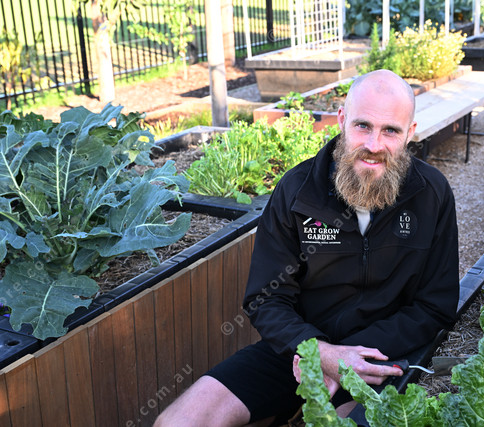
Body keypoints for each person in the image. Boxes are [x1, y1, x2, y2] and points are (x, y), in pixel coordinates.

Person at [154, 69, 459, 426]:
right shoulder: (297, 190)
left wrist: (351, 358)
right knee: (177, 421)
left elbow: (435, 306)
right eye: (363, 125)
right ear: (342, 120)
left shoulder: (431, 194)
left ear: (410, 132)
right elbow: (266, 298)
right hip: (299, 349)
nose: (374, 145)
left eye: (390, 130)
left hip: (381, 356)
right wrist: (319, 352)